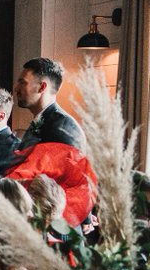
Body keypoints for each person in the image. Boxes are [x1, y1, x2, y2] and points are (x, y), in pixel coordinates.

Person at [9, 57, 94, 226]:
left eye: (22, 82)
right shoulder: (43, 121)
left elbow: (76, 180)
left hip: (55, 223)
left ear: (42, 87)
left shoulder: (63, 127)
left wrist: (81, 220)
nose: (16, 88)